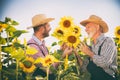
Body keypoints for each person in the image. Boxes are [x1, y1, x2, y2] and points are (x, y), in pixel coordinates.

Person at [26, 14, 73, 80]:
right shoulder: (32, 47)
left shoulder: (41, 45)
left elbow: (50, 63)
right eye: (48, 26)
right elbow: (49, 70)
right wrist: (63, 56)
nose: (50, 28)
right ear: (42, 29)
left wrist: (61, 51)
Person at [74, 15, 118, 80]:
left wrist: (89, 53)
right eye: (85, 28)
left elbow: (104, 63)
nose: (86, 30)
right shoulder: (90, 46)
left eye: (88, 27)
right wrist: (76, 53)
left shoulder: (108, 41)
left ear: (97, 27)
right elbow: (83, 68)